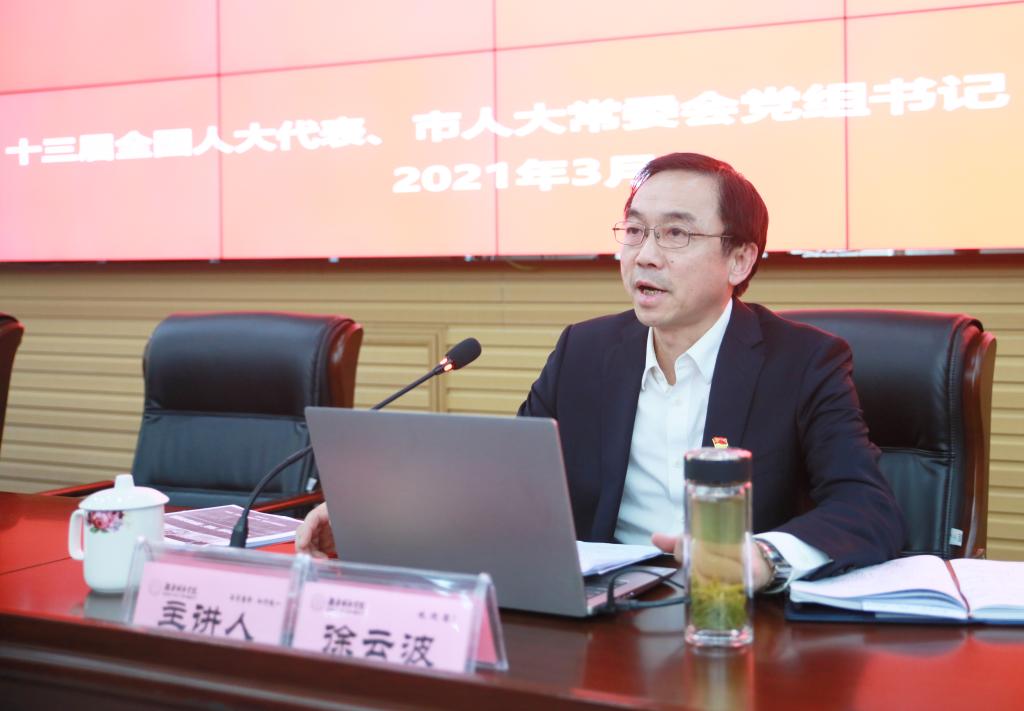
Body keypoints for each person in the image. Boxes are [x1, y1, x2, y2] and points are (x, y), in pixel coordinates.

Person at [298, 152, 905, 591]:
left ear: (740, 259)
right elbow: (506, 486)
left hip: (733, 623)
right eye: (635, 231)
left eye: (675, 234)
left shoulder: (803, 361)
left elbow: (867, 507)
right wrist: (379, 521)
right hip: (604, 616)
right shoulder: (585, 351)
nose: (644, 255)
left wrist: (760, 558)